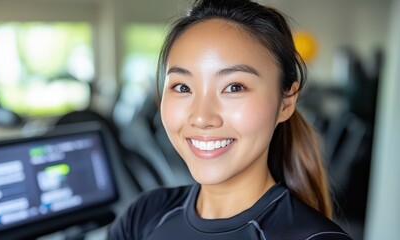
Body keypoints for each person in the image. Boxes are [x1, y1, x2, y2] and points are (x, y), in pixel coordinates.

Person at [109, 0, 352, 239]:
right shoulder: (143, 215)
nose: (202, 117)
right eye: (182, 87)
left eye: (234, 87)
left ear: (286, 102)